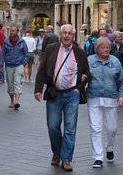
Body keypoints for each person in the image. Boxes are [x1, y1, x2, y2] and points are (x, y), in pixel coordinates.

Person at [34, 24, 90, 173]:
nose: (66, 36)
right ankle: (57, 152)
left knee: (70, 129)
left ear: (73, 36)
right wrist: (38, 89)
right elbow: (41, 70)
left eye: (69, 33)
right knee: (53, 126)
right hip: (55, 93)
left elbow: (86, 72)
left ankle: (66, 159)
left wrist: (80, 87)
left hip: (72, 94)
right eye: (64, 33)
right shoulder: (51, 49)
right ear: (60, 35)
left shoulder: (80, 53)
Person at [86, 37, 123, 169]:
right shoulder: (90, 61)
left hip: (111, 98)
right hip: (94, 97)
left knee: (112, 128)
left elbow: (122, 80)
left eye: (108, 47)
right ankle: (98, 157)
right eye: (103, 47)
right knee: (96, 129)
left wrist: (122, 96)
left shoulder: (115, 61)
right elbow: (82, 75)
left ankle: (109, 147)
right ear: (97, 49)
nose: (106, 50)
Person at [0, 25, 29, 110]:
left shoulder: (22, 42)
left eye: (13, 31)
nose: (12, 32)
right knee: (10, 84)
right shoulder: (6, 42)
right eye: (11, 31)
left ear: (17, 32)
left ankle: (17, 102)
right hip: (9, 65)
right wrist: (1, 65)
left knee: (18, 83)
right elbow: (3, 54)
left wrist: (23, 63)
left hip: (19, 65)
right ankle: (12, 101)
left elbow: (26, 54)